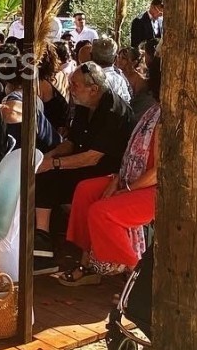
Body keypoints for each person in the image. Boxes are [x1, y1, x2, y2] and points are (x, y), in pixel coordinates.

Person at [58, 98, 161, 284]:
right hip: (131, 179)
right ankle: (88, 263)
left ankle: (137, 277)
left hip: (156, 190)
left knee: (102, 213)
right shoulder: (153, 111)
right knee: (85, 191)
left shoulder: (165, 119)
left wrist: (128, 188)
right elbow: (132, 156)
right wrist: (118, 179)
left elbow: (158, 172)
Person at [34, 62, 135, 247]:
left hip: (106, 172)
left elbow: (92, 157)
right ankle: (43, 232)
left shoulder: (114, 112)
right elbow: (72, 142)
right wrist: (50, 155)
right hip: (83, 164)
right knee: (41, 173)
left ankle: (44, 237)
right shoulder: (84, 104)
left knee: (49, 175)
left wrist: (53, 163)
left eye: (75, 85)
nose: (70, 89)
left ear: (94, 89)